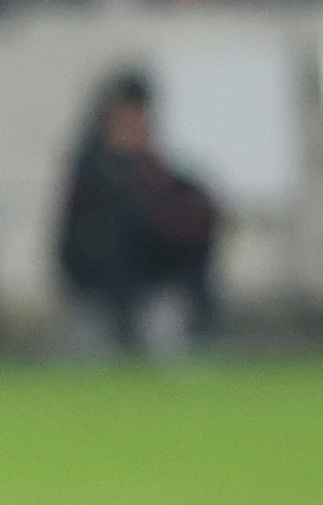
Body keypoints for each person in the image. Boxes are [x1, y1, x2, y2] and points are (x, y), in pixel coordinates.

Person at [57, 67, 218, 353]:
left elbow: (182, 199)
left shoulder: (151, 168)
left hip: (151, 278)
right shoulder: (94, 168)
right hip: (101, 283)